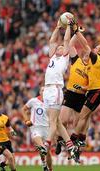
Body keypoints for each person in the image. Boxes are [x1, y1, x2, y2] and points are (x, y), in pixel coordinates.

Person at [40, 19, 80, 162]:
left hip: (56, 90)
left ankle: (46, 145)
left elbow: (67, 39)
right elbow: (52, 41)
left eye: (62, 47)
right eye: (58, 48)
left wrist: (68, 26)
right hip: (47, 90)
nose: (60, 48)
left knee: (53, 121)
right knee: (56, 122)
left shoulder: (64, 58)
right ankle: (70, 146)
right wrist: (57, 27)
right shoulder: (53, 57)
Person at [68, 22, 100, 147]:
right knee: (85, 116)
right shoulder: (95, 62)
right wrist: (82, 88)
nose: (94, 49)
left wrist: (76, 31)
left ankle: (74, 138)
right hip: (95, 91)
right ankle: (81, 138)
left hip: (97, 91)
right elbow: (92, 82)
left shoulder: (96, 58)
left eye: (97, 48)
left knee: (82, 115)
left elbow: (85, 45)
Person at [55, 30, 89, 155]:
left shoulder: (91, 69)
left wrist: (81, 87)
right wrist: (76, 33)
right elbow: (69, 45)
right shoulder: (76, 60)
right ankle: (59, 141)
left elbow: (90, 87)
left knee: (76, 124)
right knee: (63, 121)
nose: (86, 56)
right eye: (85, 55)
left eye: (87, 56)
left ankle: (75, 149)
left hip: (81, 96)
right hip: (70, 93)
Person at [22, 87, 53, 171]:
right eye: (42, 90)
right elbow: (24, 109)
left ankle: (49, 168)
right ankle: (43, 159)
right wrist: (26, 120)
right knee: (41, 145)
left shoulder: (51, 103)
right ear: (39, 92)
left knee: (48, 153)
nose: (44, 91)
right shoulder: (33, 101)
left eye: (46, 90)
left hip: (47, 128)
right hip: (35, 127)